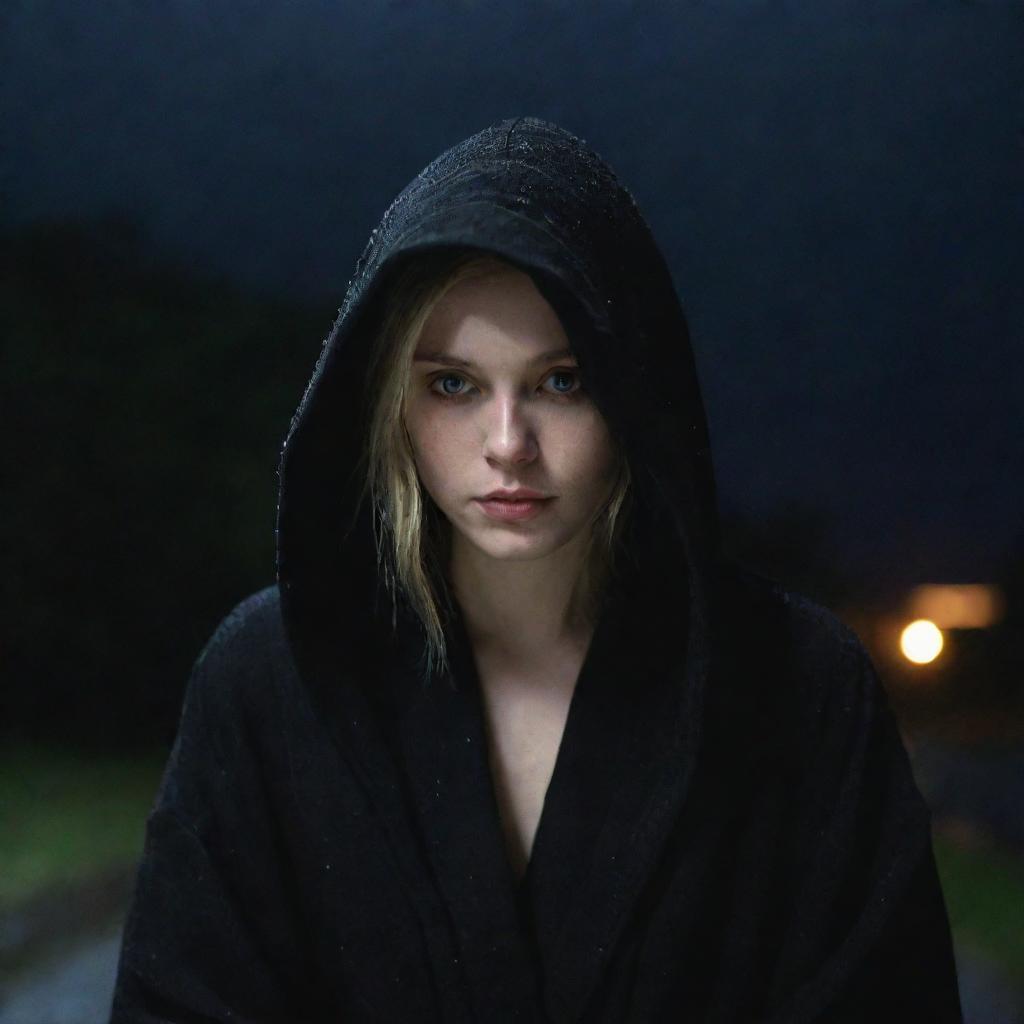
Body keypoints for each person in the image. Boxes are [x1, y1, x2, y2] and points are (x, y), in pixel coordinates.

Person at [109, 117, 963, 1022]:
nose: (508, 445)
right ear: (389, 398)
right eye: (454, 384)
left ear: (634, 389)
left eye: (562, 380)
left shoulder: (803, 687)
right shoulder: (267, 683)